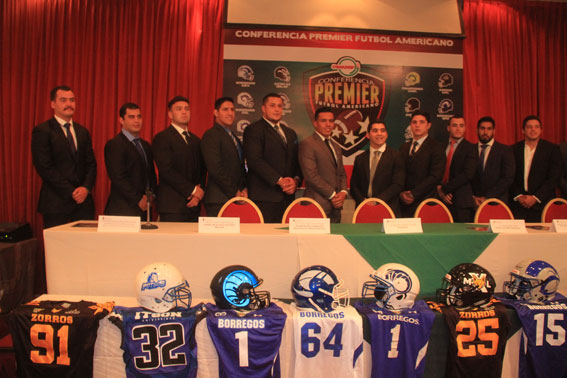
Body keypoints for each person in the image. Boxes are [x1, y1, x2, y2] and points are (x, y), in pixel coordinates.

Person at [31, 85, 97, 228]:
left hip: (83, 203)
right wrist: (71, 191)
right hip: (56, 202)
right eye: (63, 100)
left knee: (85, 248)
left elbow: (91, 164)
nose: (69, 104)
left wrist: (85, 188)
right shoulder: (42, 131)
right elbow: (44, 166)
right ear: (53, 104)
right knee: (57, 248)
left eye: (72, 100)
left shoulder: (82, 132)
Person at [243, 93, 301, 223]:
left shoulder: (290, 133)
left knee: (286, 241)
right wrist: (279, 180)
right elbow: (254, 160)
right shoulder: (253, 130)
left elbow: (296, 162)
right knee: (265, 240)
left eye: (280, 106)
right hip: (265, 198)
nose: (277, 109)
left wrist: (295, 181)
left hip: (287, 198)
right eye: (272, 106)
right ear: (263, 108)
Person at [152, 96, 206, 222]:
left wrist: (198, 194)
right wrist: (192, 190)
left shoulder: (196, 140)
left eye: (187, 109)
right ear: (170, 114)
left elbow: (203, 170)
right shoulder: (162, 138)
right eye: (179, 109)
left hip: (194, 205)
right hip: (172, 206)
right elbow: (166, 170)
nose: (184, 112)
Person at [104, 103, 157, 219]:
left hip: (145, 209)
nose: (136, 120)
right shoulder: (115, 144)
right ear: (121, 120)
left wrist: (150, 196)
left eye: (139, 117)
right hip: (123, 209)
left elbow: (151, 174)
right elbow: (118, 177)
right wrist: (138, 199)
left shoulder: (145, 145)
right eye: (131, 117)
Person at [299, 107, 347, 223]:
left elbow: (341, 174)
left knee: (335, 240)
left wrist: (343, 192)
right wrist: (333, 195)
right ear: (315, 123)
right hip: (316, 205)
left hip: (336, 207)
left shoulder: (336, 146)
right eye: (323, 121)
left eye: (331, 121)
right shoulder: (308, 144)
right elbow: (311, 176)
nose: (328, 124)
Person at [200, 97, 247, 217]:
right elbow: (215, 168)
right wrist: (234, 191)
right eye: (225, 109)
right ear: (216, 113)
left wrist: (243, 189)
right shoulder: (211, 135)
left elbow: (241, 168)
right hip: (218, 199)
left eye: (232, 109)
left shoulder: (235, 138)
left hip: (236, 198)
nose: (230, 113)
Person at [510, 115, 561, 222]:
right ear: (523, 130)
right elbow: (509, 176)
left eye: (536, 127)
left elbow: (554, 177)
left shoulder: (552, 149)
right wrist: (519, 196)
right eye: (529, 127)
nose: (533, 130)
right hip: (518, 205)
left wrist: (535, 197)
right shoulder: (513, 149)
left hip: (542, 204)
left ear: (541, 130)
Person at [350, 120, 404, 216]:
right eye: (375, 130)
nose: (379, 134)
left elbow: (397, 184)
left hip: (388, 208)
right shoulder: (360, 158)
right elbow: (354, 185)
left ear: (386, 134)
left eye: (382, 130)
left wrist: (376, 201)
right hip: (364, 209)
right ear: (368, 135)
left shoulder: (396, 156)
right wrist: (363, 202)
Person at [399, 110, 445, 217]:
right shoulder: (403, 148)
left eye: (421, 122)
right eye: (414, 122)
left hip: (426, 202)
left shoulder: (437, 147)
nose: (417, 125)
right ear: (410, 125)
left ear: (428, 125)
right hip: (404, 203)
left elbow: (436, 176)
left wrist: (413, 194)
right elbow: (399, 173)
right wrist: (401, 193)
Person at [436, 115, 477, 222]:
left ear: (465, 128)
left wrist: (444, 190)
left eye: (461, 126)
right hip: (439, 199)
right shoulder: (440, 146)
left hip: (461, 201)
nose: (458, 129)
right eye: (454, 125)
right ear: (448, 128)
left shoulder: (471, 148)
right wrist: (439, 189)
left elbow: (467, 174)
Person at [471, 116, 515, 206]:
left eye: (489, 129)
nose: (485, 132)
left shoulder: (505, 150)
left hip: (497, 202)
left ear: (494, 131)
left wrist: (487, 197)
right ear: (477, 130)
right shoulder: (469, 149)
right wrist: (472, 197)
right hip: (473, 203)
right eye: (482, 128)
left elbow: (507, 178)